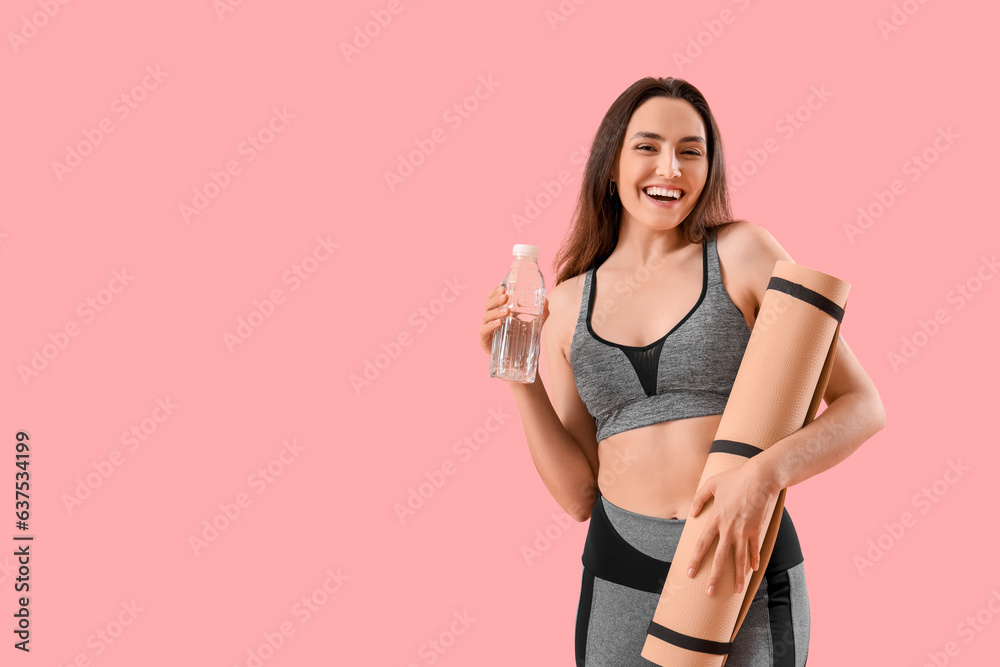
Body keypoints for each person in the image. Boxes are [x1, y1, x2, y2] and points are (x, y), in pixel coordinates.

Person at [478, 76, 885, 666]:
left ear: (709, 168)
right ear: (611, 166)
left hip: (741, 558)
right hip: (620, 565)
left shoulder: (743, 254)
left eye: (690, 151)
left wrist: (764, 475)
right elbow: (578, 495)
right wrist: (521, 378)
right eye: (647, 147)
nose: (669, 168)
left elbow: (862, 404)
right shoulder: (565, 304)